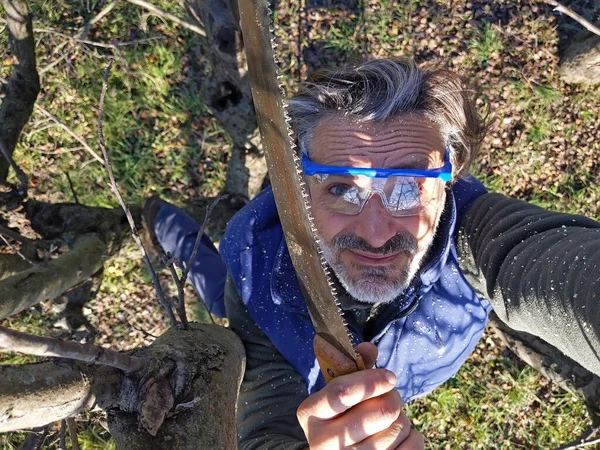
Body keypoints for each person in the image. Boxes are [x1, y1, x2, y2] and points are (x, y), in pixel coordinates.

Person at [144, 58, 600, 449]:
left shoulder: (479, 233)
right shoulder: (256, 262)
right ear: (300, 189)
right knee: (211, 279)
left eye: (409, 187)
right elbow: (265, 414)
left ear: (450, 182)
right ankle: (163, 222)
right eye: (342, 188)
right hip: (250, 294)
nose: (377, 233)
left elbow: (557, 264)